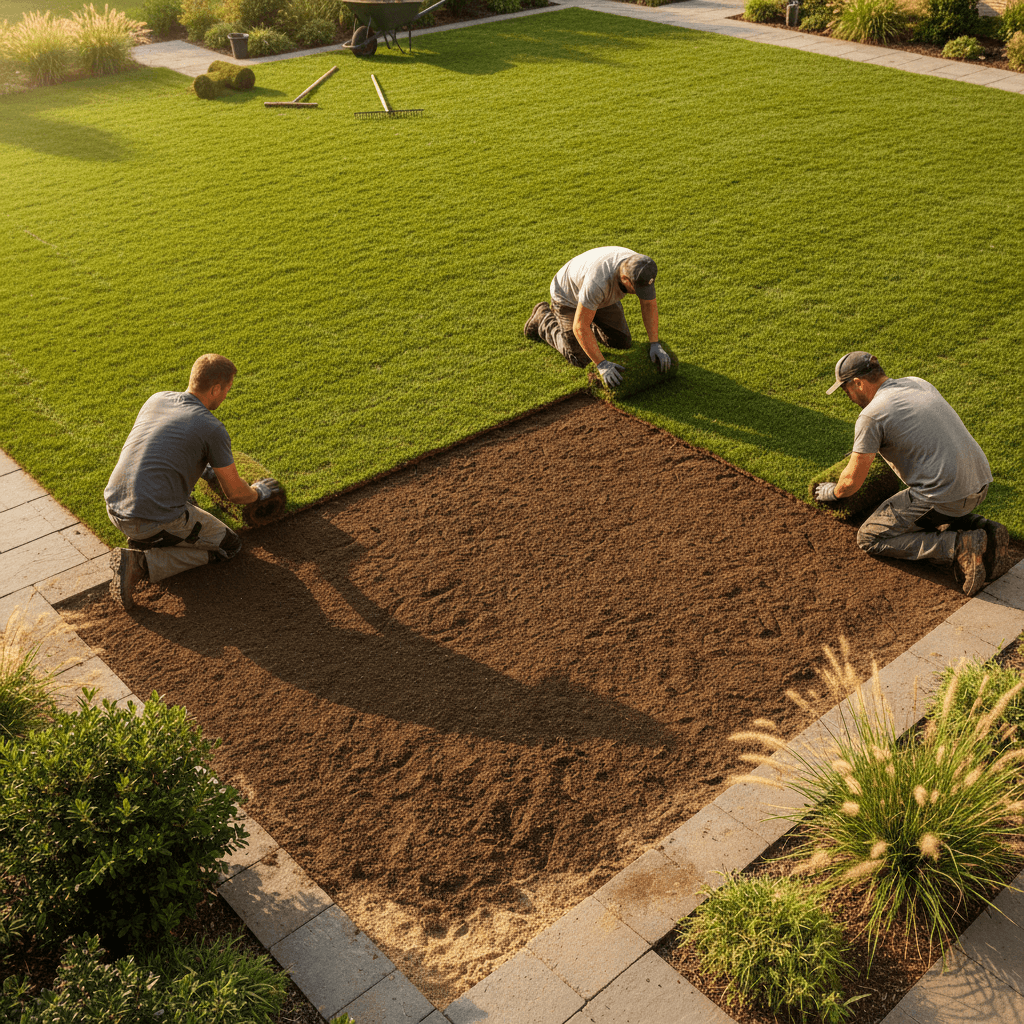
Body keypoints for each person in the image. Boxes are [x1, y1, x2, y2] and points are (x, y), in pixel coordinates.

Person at [815, 352, 1007, 597]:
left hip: (946, 499)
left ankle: (960, 546)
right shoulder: (917, 383)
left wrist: (832, 492)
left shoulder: (871, 415)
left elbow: (851, 483)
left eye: (845, 390)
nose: (848, 397)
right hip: (980, 484)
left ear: (858, 383)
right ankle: (986, 530)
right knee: (935, 504)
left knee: (870, 537)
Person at [104, 354, 277, 610]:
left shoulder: (157, 398)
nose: (226, 396)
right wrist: (259, 493)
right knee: (228, 545)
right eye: (227, 390)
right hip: (147, 518)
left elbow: (164, 451)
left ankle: (148, 537)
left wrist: (206, 470)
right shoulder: (211, 428)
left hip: (115, 504)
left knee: (187, 503)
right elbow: (235, 493)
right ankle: (141, 564)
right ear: (215, 388)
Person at [523, 246, 671, 387]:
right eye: (638, 289)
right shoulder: (597, 282)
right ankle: (543, 318)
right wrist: (602, 364)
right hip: (568, 297)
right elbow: (579, 325)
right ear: (625, 279)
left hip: (602, 299)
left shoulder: (641, 267)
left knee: (621, 342)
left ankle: (589, 318)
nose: (642, 292)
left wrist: (655, 343)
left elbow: (648, 305)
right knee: (581, 358)